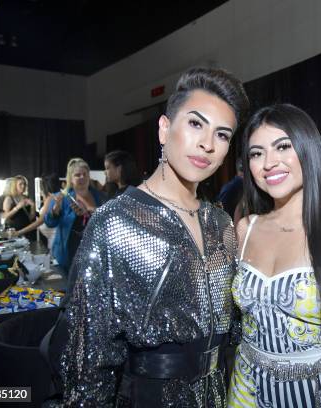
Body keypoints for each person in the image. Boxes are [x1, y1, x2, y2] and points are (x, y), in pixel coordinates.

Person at [57, 67, 249, 406]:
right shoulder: (114, 223)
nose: (207, 143)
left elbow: (232, 328)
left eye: (222, 135)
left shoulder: (220, 222)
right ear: (164, 129)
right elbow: (86, 362)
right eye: (195, 123)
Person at [228, 104, 321, 407]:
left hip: (316, 395)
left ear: (308, 150)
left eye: (283, 146)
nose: (269, 162)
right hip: (245, 392)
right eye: (256, 153)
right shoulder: (244, 229)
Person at [44, 158, 104, 271]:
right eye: (77, 175)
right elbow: (49, 223)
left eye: (84, 174)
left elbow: (106, 218)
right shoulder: (62, 198)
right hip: (69, 255)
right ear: (70, 179)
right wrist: (55, 211)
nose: (82, 177)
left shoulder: (99, 196)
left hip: (93, 253)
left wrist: (89, 209)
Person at [13, 174, 60, 250]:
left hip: (54, 239)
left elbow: (40, 221)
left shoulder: (51, 198)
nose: (23, 186)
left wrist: (19, 232)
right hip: (51, 238)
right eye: (20, 184)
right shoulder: (54, 197)